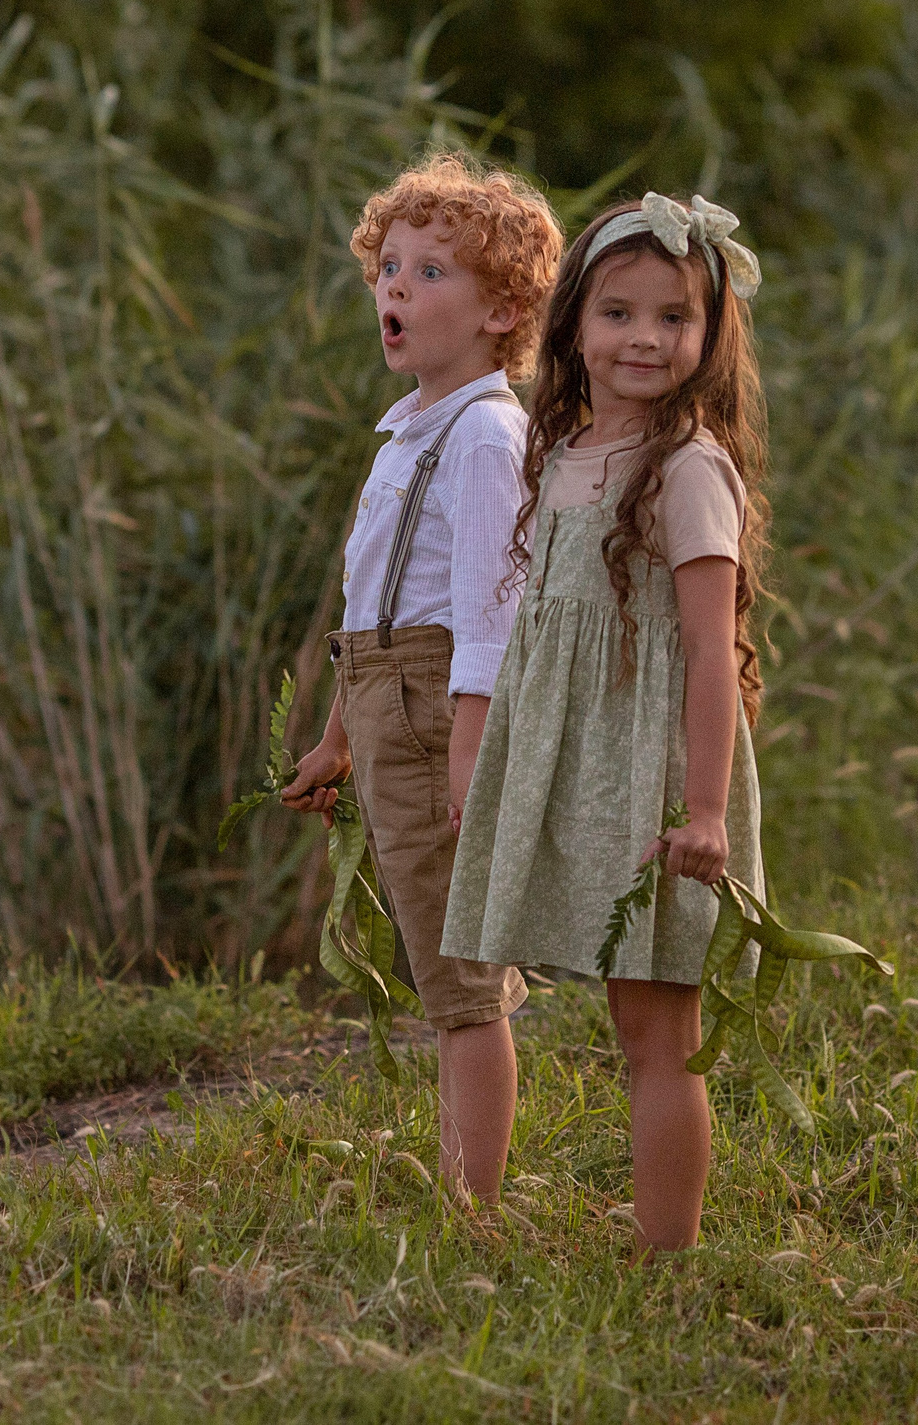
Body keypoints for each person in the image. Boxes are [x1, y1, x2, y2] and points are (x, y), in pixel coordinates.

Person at [441, 191, 773, 1253]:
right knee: (624, 1019)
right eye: (618, 312)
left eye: (673, 316)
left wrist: (707, 808)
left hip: (653, 773)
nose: (644, 337)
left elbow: (710, 653)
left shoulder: (688, 470)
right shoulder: (562, 453)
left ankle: (663, 1254)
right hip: (573, 766)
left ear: (708, 334)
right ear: (572, 325)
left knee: (655, 1030)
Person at [280, 152, 562, 1206]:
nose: (395, 287)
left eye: (431, 272)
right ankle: (461, 1183)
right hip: (391, 703)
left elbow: (490, 609)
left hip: (443, 707)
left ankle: (470, 1206)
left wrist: (468, 738)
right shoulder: (409, 432)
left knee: (460, 985)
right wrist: (337, 737)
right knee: (440, 958)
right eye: (388, 267)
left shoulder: (487, 435)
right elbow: (376, 606)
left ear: (503, 311)